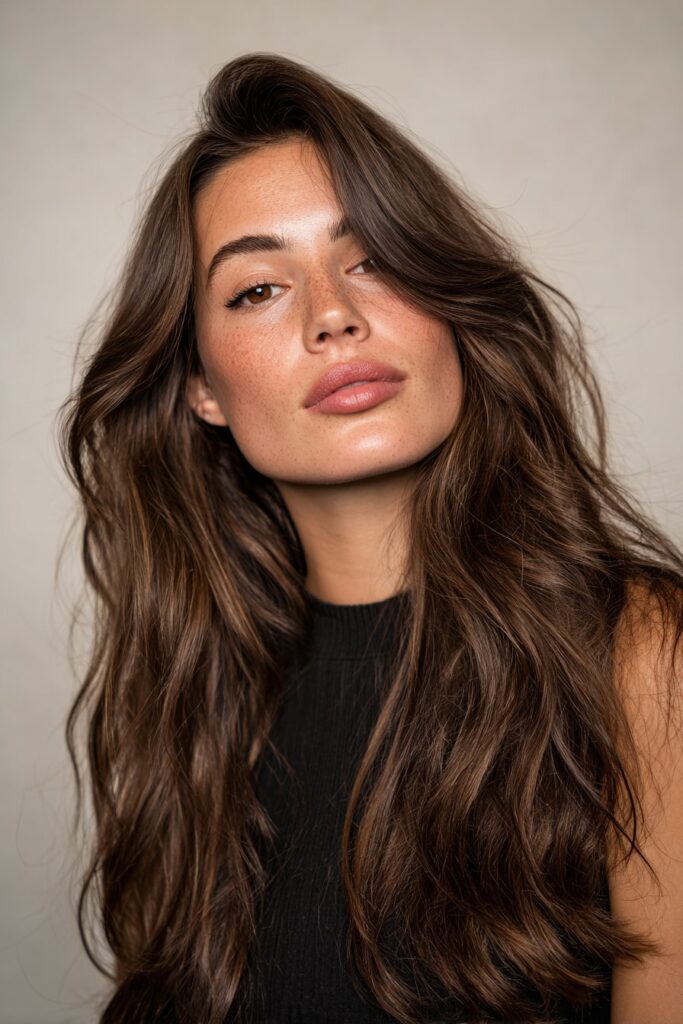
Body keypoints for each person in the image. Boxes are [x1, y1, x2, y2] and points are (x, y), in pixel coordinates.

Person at [57, 52, 683, 1024]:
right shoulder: (195, 693)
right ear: (202, 390)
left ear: (451, 307)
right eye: (257, 289)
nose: (334, 316)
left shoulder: (639, 651)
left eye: (374, 259)